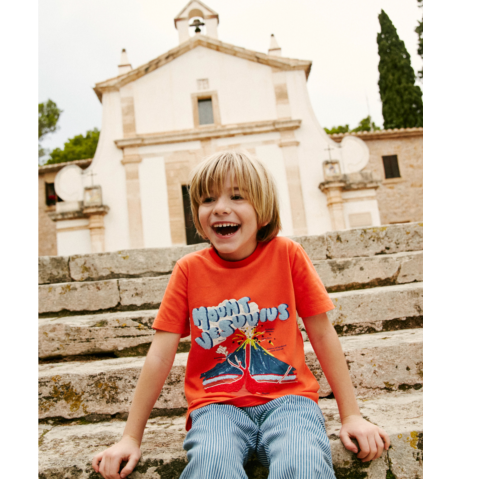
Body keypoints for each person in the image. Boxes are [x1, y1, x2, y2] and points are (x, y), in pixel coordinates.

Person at [93, 151, 390, 479]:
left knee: (303, 461)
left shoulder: (287, 255)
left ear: (263, 211)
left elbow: (322, 334)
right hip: (216, 408)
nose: (220, 207)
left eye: (236, 196)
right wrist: (130, 438)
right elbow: (160, 355)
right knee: (211, 464)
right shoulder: (189, 271)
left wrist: (352, 416)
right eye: (207, 199)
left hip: (291, 402)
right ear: (197, 213)